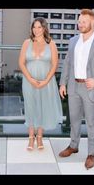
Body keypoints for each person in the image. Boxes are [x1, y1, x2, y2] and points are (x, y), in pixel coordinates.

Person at [59, 9, 94, 169]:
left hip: (90, 87)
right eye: (79, 21)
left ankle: (91, 153)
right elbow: (67, 63)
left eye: (83, 21)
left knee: (92, 122)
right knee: (74, 120)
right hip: (73, 86)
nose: (80, 24)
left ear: (92, 22)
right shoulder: (73, 41)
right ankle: (73, 145)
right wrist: (62, 83)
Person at [19, 17, 63, 150]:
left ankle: (40, 137)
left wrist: (45, 81)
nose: (36, 30)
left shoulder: (52, 44)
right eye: (34, 27)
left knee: (42, 107)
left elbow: (55, 65)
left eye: (39, 27)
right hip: (28, 81)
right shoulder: (27, 43)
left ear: (44, 28)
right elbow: (21, 63)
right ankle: (31, 138)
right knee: (31, 107)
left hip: (47, 82)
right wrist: (31, 79)